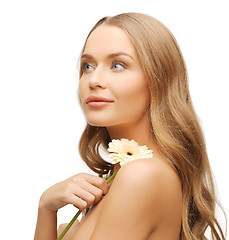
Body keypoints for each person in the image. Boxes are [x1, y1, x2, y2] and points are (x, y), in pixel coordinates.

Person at [34, 12, 226, 240]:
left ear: (159, 80)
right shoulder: (118, 178)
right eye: (87, 66)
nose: (94, 80)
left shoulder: (141, 175)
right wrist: (46, 207)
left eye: (117, 65)